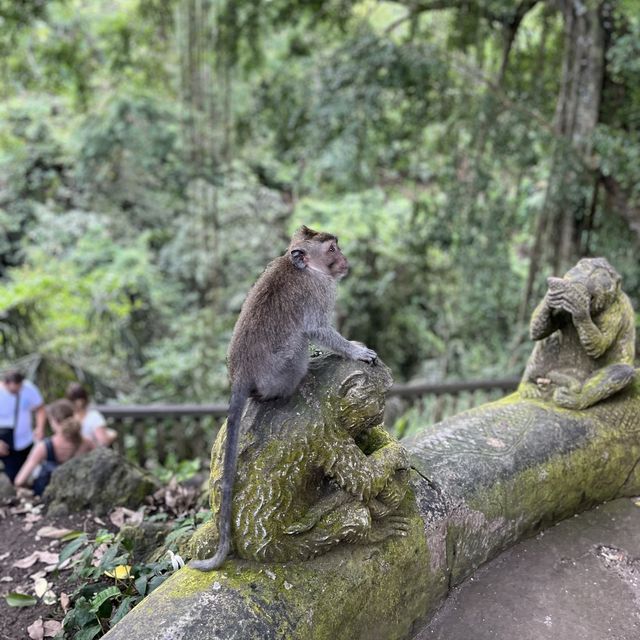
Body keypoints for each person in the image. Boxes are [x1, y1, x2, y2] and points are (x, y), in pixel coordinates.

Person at [15, 399, 94, 495]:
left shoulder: (43, 447)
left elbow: (19, 481)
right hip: (79, 494)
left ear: (54, 421)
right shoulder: (87, 443)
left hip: (48, 499)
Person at [0, 370, 46, 483]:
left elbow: (40, 408)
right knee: (11, 475)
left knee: (29, 474)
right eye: (12, 390)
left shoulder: (29, 388)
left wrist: (40, 428)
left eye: (18, 389)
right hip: (5, 442)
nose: (16, 392)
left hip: (26, 440)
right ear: (5, 384)